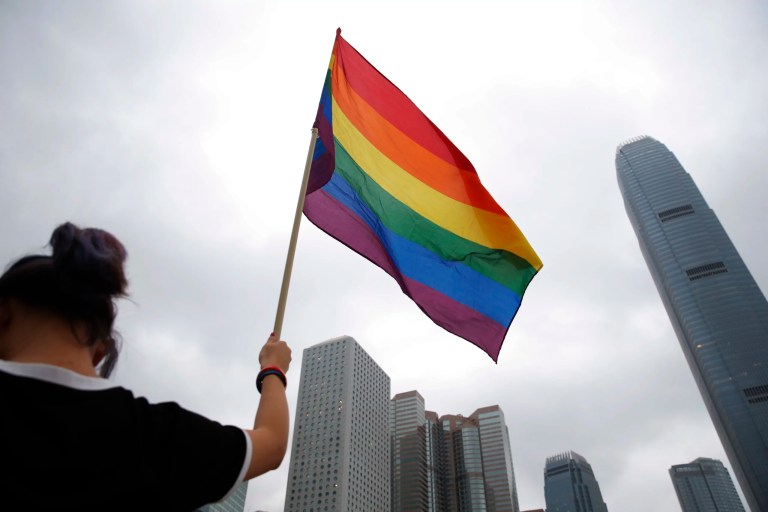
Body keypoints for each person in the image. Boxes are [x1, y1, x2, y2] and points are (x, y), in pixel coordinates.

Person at [0, 222, 292, 510]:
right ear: (101, 349)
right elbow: (272, 444)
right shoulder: (155, 436)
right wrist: (272, 368)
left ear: (3, 315)